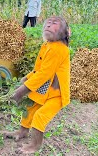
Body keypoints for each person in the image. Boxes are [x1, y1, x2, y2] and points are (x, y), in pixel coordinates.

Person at [5, 16, 71, 154]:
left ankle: (35, 145)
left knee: (40, 116)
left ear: (65, 32)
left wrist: (19, 92)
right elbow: (39, 69)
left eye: (54, 24)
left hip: (56, 94)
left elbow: (44, 75)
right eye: (48, 23)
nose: (48, 26)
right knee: (30, 108)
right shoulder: (47, 45)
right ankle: (22, 132)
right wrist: (26, 78)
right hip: (45, 89)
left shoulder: (59, 49)